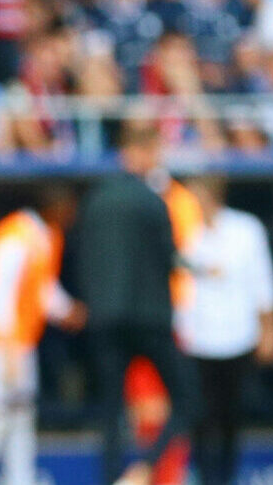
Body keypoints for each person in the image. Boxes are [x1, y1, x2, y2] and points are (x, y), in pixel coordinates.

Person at [66, 123, 194, 485]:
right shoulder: (154, 201)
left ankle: (112, 479)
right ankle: (144, 468)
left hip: (105, 319)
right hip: (150, 320)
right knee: (187, 398)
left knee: (110, 412)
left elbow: (81, 259)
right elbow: (171, 259)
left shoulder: (94, 199)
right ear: (146, 153)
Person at [0, 191, 82, 485]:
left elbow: (42, 290)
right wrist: (8, 350)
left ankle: (20, 479)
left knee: (21, 417)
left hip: (17, 341)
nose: (71, 217)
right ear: (54, 207)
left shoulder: (45, 238)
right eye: (68, 209)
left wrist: (69, 312)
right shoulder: (15, 234)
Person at [176, 173, 273, 485]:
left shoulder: (246, 230)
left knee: (232, 418)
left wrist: (270, 330)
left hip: (237, 337)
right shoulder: (181, 232)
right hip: (194, 341)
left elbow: (263, 282)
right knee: (199, 419)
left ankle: (226, 477)